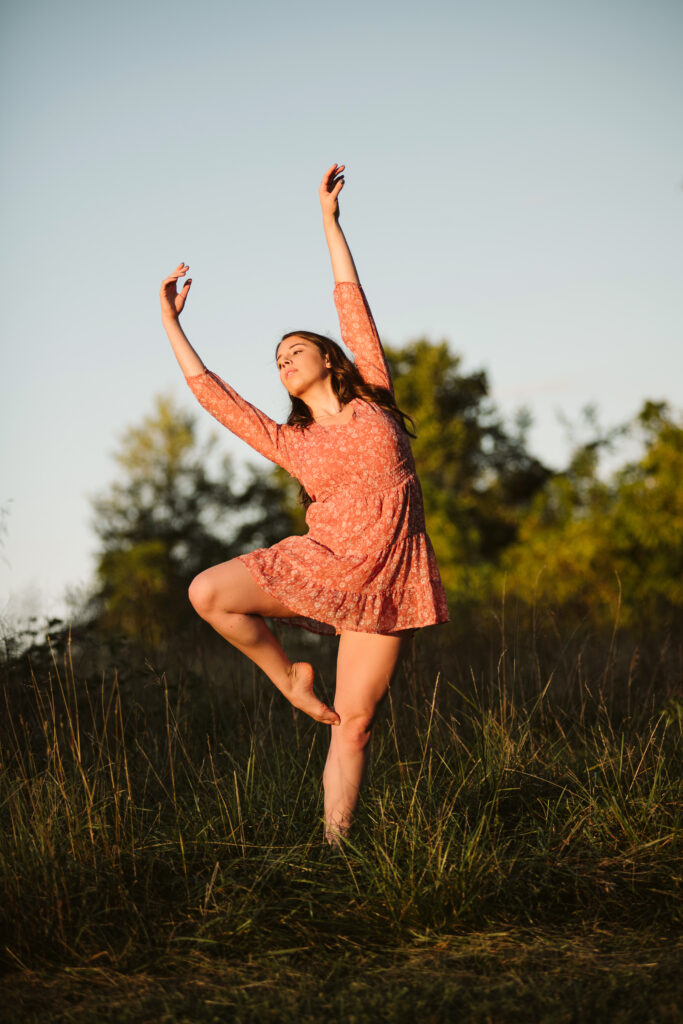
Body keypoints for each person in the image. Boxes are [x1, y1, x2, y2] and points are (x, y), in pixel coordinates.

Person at [159, 163, 449, 844]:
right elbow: (215, 398)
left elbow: (351, 301)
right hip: (324, 564)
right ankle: (288, 677)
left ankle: (334, 848)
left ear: (329, 358)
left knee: (355, 724)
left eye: (296, 349)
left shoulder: (373, 395)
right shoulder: (292, 441)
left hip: (387, 583)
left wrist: (329, 220)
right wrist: (169, 321)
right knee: (208, 591)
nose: (284, 359)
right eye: (277, 357)